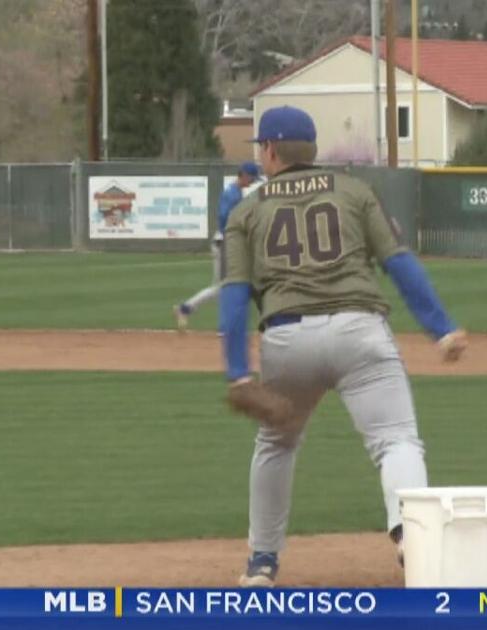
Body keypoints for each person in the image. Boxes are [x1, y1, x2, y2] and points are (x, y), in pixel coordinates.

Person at [220, 105, 468, 587]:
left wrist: (237, 371)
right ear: (311, 149)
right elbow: (399, 263)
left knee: (276, 444)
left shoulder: (246, 209)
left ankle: (262, 563)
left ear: (269, 150)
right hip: (360, 332)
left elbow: (233, 297)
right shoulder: (354, 191)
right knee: (395, 440)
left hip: (287, 338)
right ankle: (410, 537)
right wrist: (441, 329)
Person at [173, 162, 265, 330]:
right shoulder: (232, 194)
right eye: (252, 177)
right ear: (244, 175)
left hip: (227, 243)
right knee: (226, 286)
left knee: (226, 286)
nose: (252, 182)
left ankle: (185, 308)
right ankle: (191, 311)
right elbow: (224, 218)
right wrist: (233, 237)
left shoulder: (236, 193)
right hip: (224, 244)